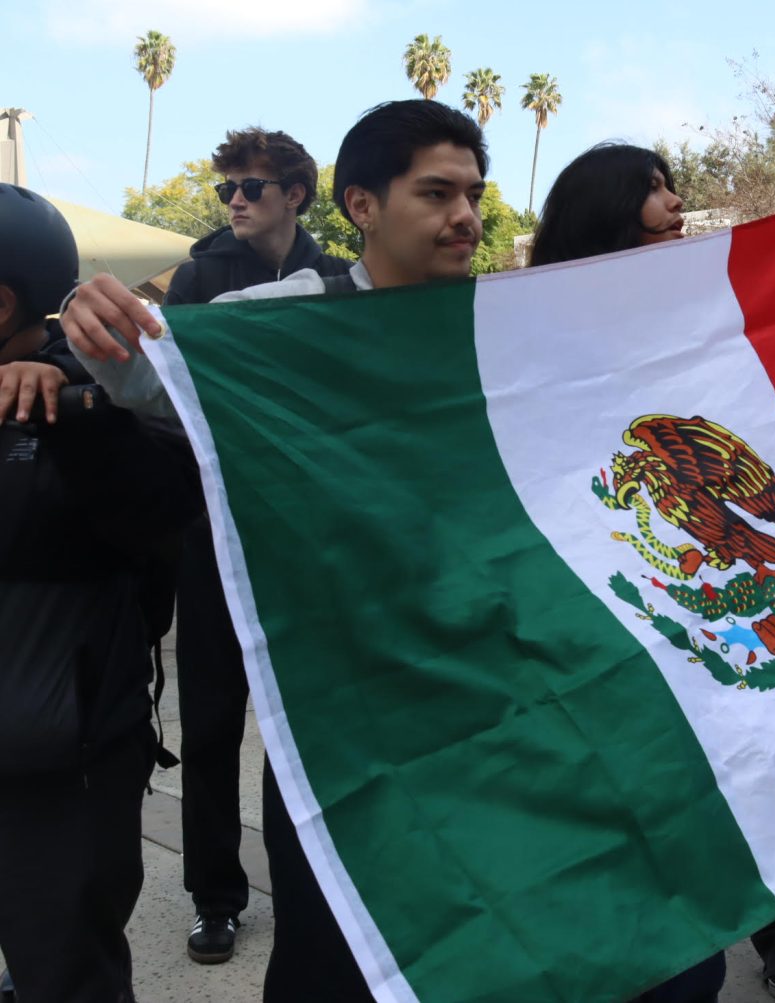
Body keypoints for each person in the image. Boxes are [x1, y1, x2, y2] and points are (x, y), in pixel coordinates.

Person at [63, 98, 488, 1003]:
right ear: (362, 204)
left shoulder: (514, 323)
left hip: (471, 685)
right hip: (332, 683)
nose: (467, 216)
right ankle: (219, 894)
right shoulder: (284, 317)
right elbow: (146, 376)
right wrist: (85, 315)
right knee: (331, 936)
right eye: (439, 192)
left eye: (475, 194)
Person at [532, 143, 775, 1003]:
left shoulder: (705, 299)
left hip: (771, 571)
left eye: (673, 187)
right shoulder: (536, 343)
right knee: (741, 763)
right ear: (605, 215)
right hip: (648, 607)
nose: (677, 205)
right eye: (654, 193)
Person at [0, 184, 200, 1002]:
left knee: (69, 975)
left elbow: (165, 514)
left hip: (58, 773)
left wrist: (68, 414)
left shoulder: (98, 401)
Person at [167, 127, 351, 966]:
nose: (235, 199)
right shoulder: (199, 277)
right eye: (227, 188)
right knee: (209, 722)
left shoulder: (341, 283)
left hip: (304, 541)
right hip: (211, 534)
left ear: (297, 195)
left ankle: (313, 889)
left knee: (299, 729)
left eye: (252, 186)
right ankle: (215, 896)